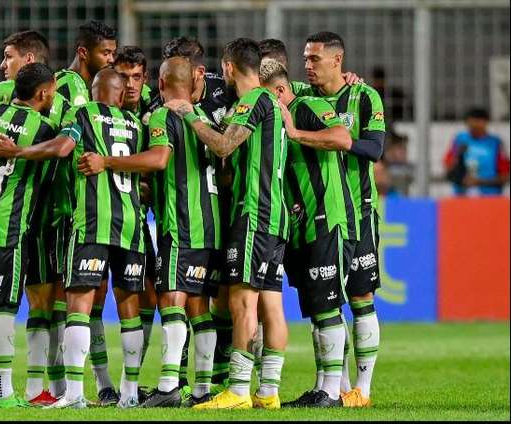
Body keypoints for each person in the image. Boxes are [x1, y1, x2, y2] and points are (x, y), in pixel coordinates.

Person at [0, 68, 148, 410]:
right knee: (129, 308)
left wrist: (18, 151)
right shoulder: (137, 125)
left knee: (79, 304)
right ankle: (130, 393)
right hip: (131, 225)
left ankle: (74, 393)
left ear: (96, 92)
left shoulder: (83, 113)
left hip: (91, 222)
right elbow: (153, 164)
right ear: (122, 95)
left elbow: (63, 147)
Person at [164, 37, 288, 410]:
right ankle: (268, 391)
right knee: (271, 304)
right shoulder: (275, 105)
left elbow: (223, 146)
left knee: (241, 302)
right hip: (276, 217)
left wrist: (189, 113)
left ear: (230, 67)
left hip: (254, 213)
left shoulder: (252, 100)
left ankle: (237, 390)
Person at [95, 56, 221, 408]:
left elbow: (159, 159)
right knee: (199, 306)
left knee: (171, 301)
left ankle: (168, 386)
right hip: (209, 225)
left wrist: (108, 162)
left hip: (180, 224)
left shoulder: (164, 115)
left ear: (161, 84)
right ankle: (201, 389)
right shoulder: (205, 119)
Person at [0, 29, 70, 407]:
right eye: (51, 93)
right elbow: (58, 156)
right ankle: (5, 391)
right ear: (43, 93)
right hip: (8, 225)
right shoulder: (43, 128)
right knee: (5, 305)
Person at [285, 31, 386, 409]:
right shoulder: (302, 95)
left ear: (337, 61)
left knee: (361, 298)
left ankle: (363, 389)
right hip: (319, 214)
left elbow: (374, 148)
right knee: (324, 302)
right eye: (305, 58)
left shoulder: (364, 96)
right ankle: (337, 385)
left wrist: (338, 141)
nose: (307, 65)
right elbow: (274, 84)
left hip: (359, 211)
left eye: (315, 59)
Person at [260, 57, 357, 408]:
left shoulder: (308, 107)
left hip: (326, 220)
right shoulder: (274, 120)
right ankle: (323, 385)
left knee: (328, 306)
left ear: (281, 91)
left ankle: (333, 391)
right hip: (302, 227)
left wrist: (296, 133)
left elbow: (343, 137)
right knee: (316, 308)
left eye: (267, 96)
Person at [53, 19, 120, 406]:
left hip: (99, 208)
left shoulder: (105, 94)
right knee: (70, 297)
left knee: (94, 295)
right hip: (67, 208)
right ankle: (64, 384)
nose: (110, 58)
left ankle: (102, 381)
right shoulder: (65, 87)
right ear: (84, 52)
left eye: (113, 52)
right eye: (105, 53)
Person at [113, 46, 159, 376]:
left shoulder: (153, 107)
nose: (130, 84)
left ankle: (133, 377)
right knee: (97, 297)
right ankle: (102, 383)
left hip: (138, 215)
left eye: (136, 77)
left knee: (150, 296)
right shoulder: (96, 106)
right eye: (124, 76)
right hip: (100, 215)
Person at [444, 107, 510, 196]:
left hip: (489, 197)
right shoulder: (460, 140)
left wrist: (480, 182)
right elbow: (448, 167)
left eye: (477, 123)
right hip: (463, 197)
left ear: (485, 122)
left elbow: (505, 175)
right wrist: (458, 174)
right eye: (470, 124)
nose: (473, 127)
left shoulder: (495, 143)